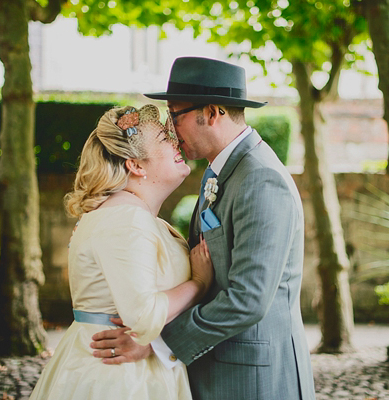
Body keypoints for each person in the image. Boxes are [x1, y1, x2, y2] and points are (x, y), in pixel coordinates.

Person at [91, 57, 316, 399]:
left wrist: (159, 343)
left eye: (175, 114)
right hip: (224, 370)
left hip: (255, 380)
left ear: (211, 113)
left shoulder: (261, 179)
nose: (169, 128)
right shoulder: (221, 170)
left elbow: (248, 299)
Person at [29, 104, 214, 399]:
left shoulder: (136, 215)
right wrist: (199, 284)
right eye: (165, 140)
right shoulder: (125, 218)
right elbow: (143, 316)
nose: (176, 141)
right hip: (119, 378)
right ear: (136, 165)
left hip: (135, 369)